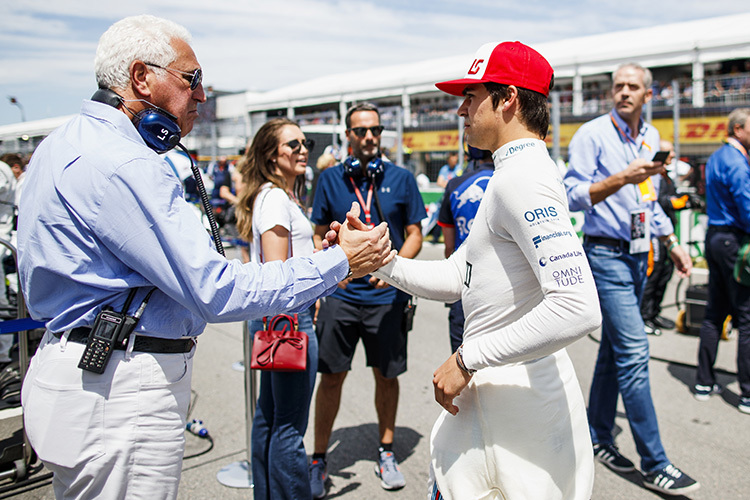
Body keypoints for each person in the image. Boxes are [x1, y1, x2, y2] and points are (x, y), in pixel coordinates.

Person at [16, 15, 392, 500]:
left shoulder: (61, 144)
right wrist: (338, 262)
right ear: (140, 77)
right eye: (191, 80)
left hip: (83, 375)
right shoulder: (125, 162)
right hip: (118, 392)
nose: (201, 97)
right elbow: (216, 290)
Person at [369, 40, 601, 500]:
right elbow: (462, 276)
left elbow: (578, 307)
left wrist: (467, 358)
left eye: (471, 96)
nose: (461, 110)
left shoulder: (522, 177)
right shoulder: (513, 173)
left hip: (518, 408)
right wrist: (384, 262)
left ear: (509, 98)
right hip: (503, 400)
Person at [564, 62, 700, 495]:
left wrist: (672, 241)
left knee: (613, 351)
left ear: (648, 94)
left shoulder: (652, 137)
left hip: (642, 254)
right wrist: (623, 176)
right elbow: (572, 194)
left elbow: (648, 201)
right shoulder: (591, 135)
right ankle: (655, 462)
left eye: (632, 87)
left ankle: (597, 434)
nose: (623, 92)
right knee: (635, 353)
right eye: (618, 86)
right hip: (604, 254)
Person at [308, 103, 426, 496]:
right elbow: (319, 230)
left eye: (375, 129)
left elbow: (414, 233)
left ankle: (387, 450)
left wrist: (396, 271)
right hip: (343, 295)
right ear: (348, 136)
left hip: (385, 299)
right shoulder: (328, 179)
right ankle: (318, 459)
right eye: (361, 131)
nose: (370, 137)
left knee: (386, 376)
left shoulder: (402, 178)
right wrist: (329, 273)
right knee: (331, 376)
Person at [233, 118, 318, 499]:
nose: (303, 150)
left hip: (279, 318)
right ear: (272, 155)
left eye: (305, 143)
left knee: (270, 416)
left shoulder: (277, 196)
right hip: (287, 319)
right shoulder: (274, 199)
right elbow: (278, 272)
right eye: (293, 145)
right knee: (288, 426)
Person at [695, 108, 750, 414]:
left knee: (714, 312)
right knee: (746, 316)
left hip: (714, 237)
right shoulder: (738, 163)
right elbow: (747, 208)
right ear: (739, 129)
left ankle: (704, 381)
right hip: (734, 241)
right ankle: (747, 394)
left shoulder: (716, 157)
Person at [436, 147, 493, 352]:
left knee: (463, 364)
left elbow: (449, 247)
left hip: (466, 285)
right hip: (510, 288)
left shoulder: (456, 185)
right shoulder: (515, 181)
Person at [641, 140, 695, 335]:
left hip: (667, 234)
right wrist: (682, 202)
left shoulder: (666, 175)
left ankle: (654, 312)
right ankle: (644, 317)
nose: (672, 155)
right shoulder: (653, 175)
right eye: (669, 152)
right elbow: (660, 202)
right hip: (654, 235)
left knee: (665, 274)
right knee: (653, 275)